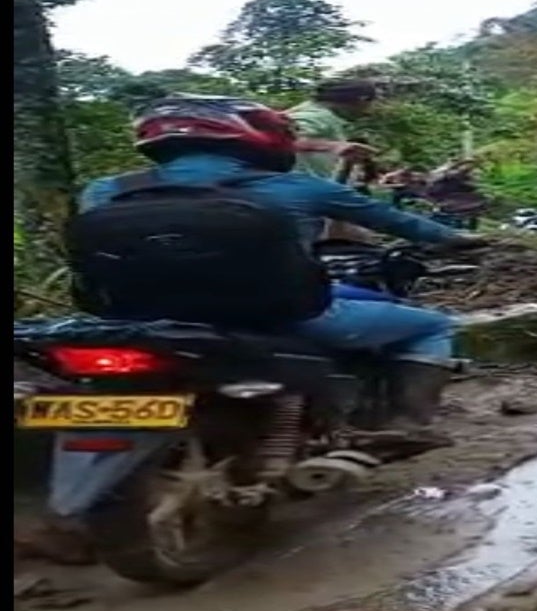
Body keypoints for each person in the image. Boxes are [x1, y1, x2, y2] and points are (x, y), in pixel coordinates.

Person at [76, 95, 488, 442]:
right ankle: (407, 425)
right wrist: (463, 240)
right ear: (257, 139)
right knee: (431, 325)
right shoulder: (299, 187)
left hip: (139, 322)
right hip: (281, 320)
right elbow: (406, 225)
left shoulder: (107, 190)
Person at [284, 79, 382, 243]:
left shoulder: (322, 116)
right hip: (302, 200)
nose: (370, 111)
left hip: (314, 199)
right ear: (362, 100)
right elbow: (285, 140)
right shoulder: (315, 115)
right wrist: (333, 146)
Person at [424, 157, 489, 230]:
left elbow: (471, 185)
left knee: (478, 202)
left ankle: (470, 226)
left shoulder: (467, 175)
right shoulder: (449, 172)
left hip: (457, 196)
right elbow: (439, 180)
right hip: (445, 196)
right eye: (467, 165)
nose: (469, 167)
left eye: (471, 165)